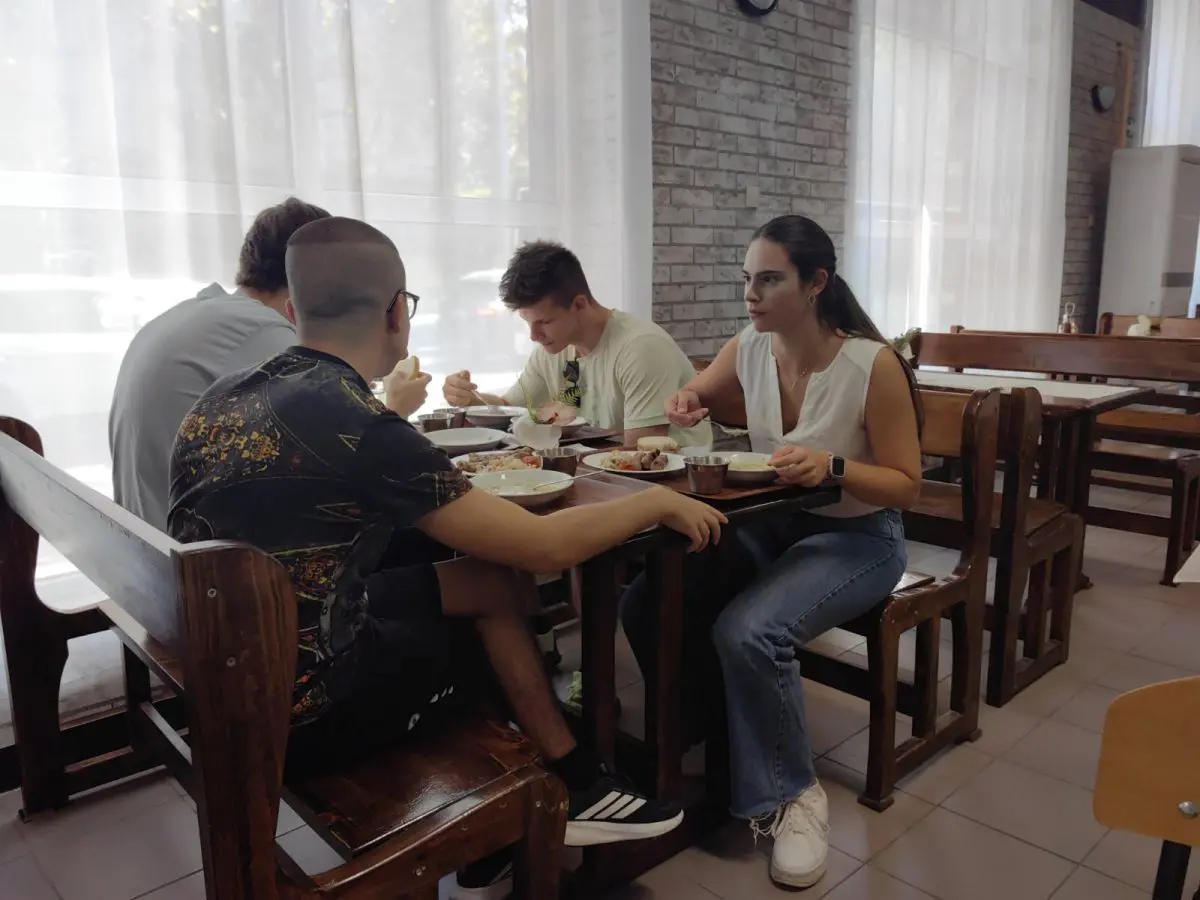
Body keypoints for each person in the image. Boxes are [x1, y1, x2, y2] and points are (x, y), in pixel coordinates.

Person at [168, 217, 727, 894]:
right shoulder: (361, 422)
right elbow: (543, 547)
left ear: (292, 310)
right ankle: (529, 795)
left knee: (483, 582)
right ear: (395, 313)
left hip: (226, 671)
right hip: (305, 708)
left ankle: (562, 782)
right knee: (479, 609)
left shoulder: (222, 397)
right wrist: (655, 503)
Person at [620, 215, 923, 890]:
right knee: (647, 599)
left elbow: (907, 485)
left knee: (750, 629)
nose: (751, 295)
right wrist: (687, 401)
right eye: (747, 279)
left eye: (769, 280)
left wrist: (834, 465)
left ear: (816, 283)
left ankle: (793, 794)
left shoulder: (872, 365)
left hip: (860, 536)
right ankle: (720, 737)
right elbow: (696, 392)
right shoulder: (751, 345)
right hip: (775, 524)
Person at [109, 197, 333, 529]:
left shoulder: (195, 315)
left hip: (147, 540)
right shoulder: (262, 331)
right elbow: (332, 458)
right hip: (192, 553)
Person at [441, 241, 712, 450]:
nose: (534, 335)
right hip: (600, 474)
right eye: (527, 322)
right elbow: (509, 407)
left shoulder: (641, 348)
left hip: (673, 485)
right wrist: (470, 399)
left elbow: (642, 452)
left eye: (544, 322)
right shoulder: (554, 348)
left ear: (580, 305)